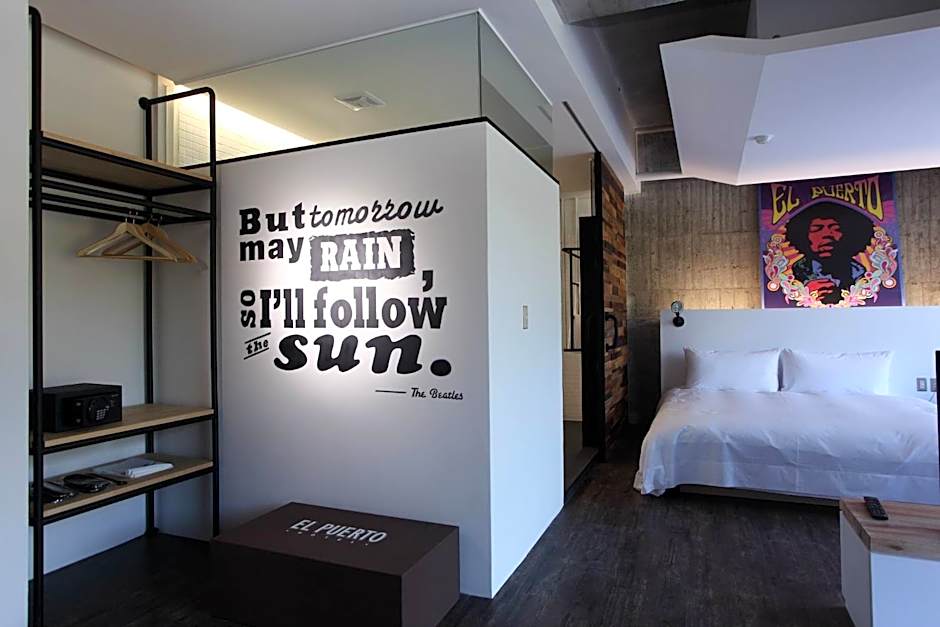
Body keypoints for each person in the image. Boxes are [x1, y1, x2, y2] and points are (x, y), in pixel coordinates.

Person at [785, 201, 874, 305]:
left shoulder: (858, 273)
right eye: (817, 229)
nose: (827, 234)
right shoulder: (797, 270)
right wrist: (805, 292)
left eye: (835, 228)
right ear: (803, 236)